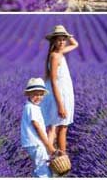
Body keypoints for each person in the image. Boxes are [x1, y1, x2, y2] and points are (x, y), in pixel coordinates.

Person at [44, 28, 78, 165]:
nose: (62, 41)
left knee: (60, 127)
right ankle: (54, 157)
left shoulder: (59, 53)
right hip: (60, 95)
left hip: (65, 94)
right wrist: (60, 104)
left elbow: (75, 44)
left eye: (64, 39)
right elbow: (53, 81)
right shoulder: (55, 56)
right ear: (53, 40)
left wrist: (69, 36)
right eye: (59, 39)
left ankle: (57, 157)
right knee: (56, 128)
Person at [20, 78, 54, 179]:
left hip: (33, 143)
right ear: (28, 94)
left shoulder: (31, 107)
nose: (38, 97)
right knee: (43, 171)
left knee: (38, 169)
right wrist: (48, 145)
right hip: (36, 144)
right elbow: (37, 127)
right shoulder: (31, 108)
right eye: (35, 94)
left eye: (41, 94)